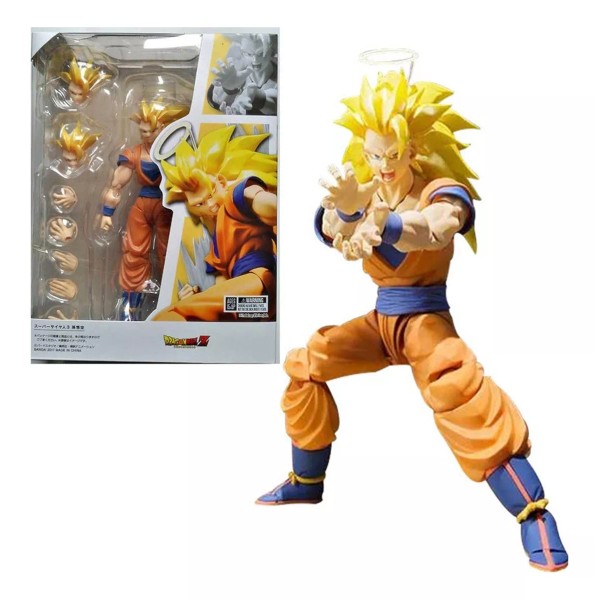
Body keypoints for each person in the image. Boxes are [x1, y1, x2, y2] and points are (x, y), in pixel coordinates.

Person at [256, 70, 568, 572]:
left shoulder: (440, 189)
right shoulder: (364, 187)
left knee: (462, 394)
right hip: (382, 321)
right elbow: (331, 227)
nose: (382, 166)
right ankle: (306, 481)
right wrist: (350, 213)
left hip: (425, 320)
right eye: (373, 154)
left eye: (392, 155)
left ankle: (534, 515)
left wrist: (386, 222)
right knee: (306, 362)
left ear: (413, 148)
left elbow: (436, 229)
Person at [152, 125, 277, 321]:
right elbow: (224, 291)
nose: (210, 206)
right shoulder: (218, 243)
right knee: (183, 314)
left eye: (211, 194)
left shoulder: (234, 197)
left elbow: (263, 202)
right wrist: (198, 299)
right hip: (256, 305)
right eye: (199, 203)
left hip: (262, 279)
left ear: (221, 182)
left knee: (173, 315)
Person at [98, 99, 188, 320]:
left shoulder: (176, 153)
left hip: (167, 208)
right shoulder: (134, 154)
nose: (145, 134)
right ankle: (130, 307)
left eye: (150, 130)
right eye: (142, 131)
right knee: (134, 252)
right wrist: (107, 214)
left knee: (170, 254)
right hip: (142, 206)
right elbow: (116, 185)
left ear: (162, 127)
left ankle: (176, 300)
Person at [207, 34, 277, 116]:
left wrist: (256, 97)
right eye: (249, 54)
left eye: (260, 53)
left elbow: (276, 103)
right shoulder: (236, 66)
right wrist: (228, 89)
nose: (255, 60)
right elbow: (217, 101)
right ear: (242, 52)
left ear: (271, 51)